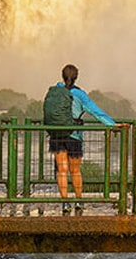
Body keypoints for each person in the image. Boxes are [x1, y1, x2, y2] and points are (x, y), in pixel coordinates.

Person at [49, 64, 117, 215]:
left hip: (56, 135)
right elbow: (95, 111)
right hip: (74, 136)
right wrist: (112, 125)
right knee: (75, 171)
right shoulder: (79, 95)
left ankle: (64, 203)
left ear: (62, 76)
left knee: (61, 170)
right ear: (76, 77)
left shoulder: (55, 92)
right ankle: (79, 201)